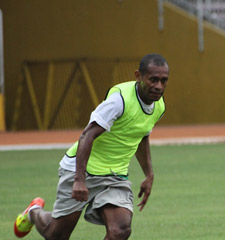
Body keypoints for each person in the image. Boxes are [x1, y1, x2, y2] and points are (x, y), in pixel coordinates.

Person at [13, 53, 169, 240]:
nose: (158, 86)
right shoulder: (119, 100)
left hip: (115, 176)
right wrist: (79, 179)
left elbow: (142, 136)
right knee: (56, 235)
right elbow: (88, 135)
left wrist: (149, 174)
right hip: (81, 170)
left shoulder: (158, 106)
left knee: (120, 230)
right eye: (153, 80)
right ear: (138, 76)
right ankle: (34, 212)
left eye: (163, 80)